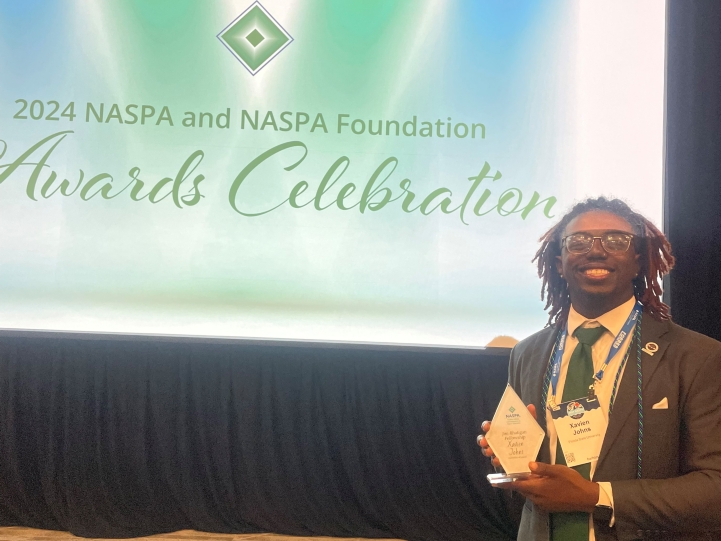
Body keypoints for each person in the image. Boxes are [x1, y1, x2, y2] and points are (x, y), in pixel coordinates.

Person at [477, 197, 721, 541]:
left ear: (638, 261)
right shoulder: (526, 353)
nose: (595, 251)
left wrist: (596, 496)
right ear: (559, 264)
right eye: (578, 241)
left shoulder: (696, 356)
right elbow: (532, 470)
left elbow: (714, 487)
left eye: (615, 241)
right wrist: (511, 456)